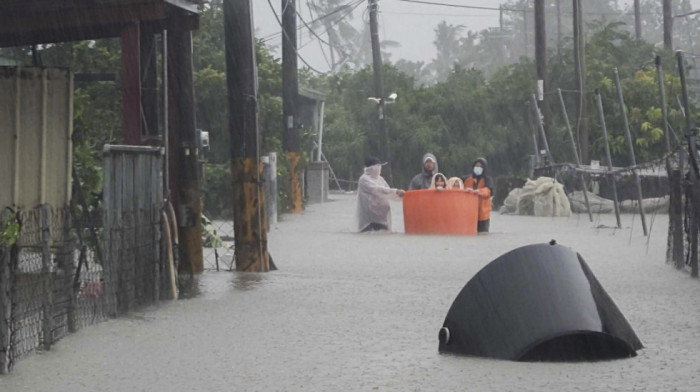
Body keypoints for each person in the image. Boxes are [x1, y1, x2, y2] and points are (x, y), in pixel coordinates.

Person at [357, 157, 406, 232]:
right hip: (370, 220)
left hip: (382, 218)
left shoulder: (380, 179)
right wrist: (396, 191)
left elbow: (388, 193)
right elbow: (378, 190)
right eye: (378, 166)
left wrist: (404, 197)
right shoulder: (364, 179)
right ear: (372, 168)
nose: (380, 168)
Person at [463, 157, 494, 233]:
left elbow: (489, 191)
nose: (478, 168)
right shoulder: (466, 178)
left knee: (482, 234)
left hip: (483, 214)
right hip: (468, 213)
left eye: (480, 166)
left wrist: (479, 191)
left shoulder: (488, 179)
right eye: (476, 166)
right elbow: (456, 186)